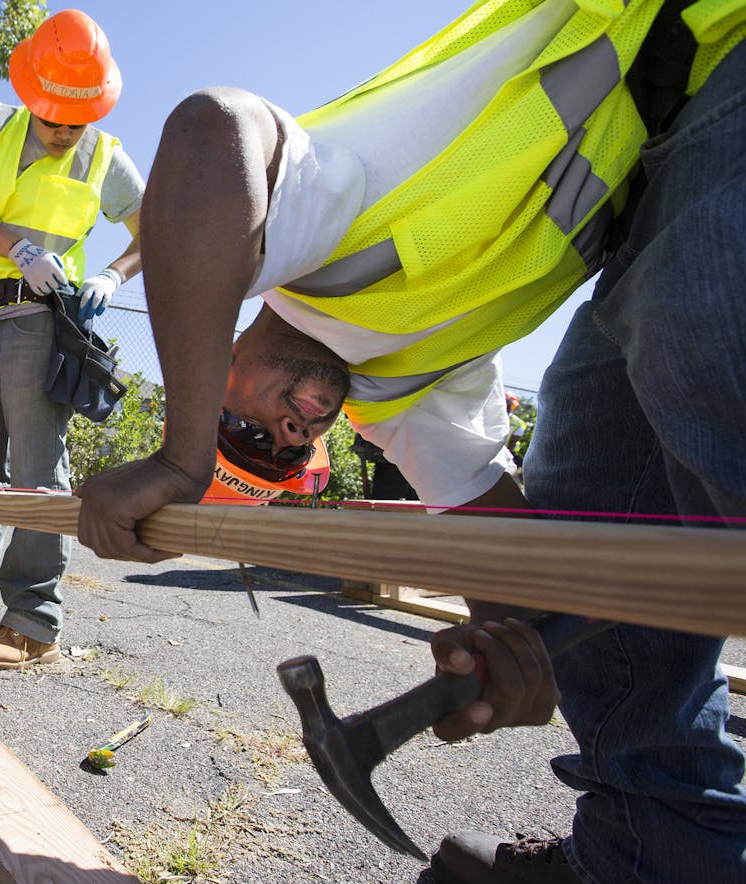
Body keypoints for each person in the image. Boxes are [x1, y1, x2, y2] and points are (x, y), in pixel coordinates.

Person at [75, 0, 746, 880]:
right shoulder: (403, 395)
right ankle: (657, 851)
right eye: (286, 449)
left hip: (707, 47)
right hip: (649, 185)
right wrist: (510, 646)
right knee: (587, 491)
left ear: (225, 352)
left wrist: (182, 455)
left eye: (245, 429)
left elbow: (211, 129)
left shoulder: (307, 240)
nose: (289, 430)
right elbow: (520, 556)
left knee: (699, 326)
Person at [0, 9, 145, 670]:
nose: (66, 132)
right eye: (53, 120)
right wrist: (16, 245)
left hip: (40, 321)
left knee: (39, 472)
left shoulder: (107, 156)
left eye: (78, 121)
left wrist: (111, 273)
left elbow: (150, 228)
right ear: (30, 96)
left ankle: (34, 621)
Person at [504, 392, 529, 468]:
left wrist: (505, 458)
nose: (506, 406)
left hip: (504, 453)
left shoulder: (517, 423)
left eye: (508, 404)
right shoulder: (489, 415)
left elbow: (512, 442)